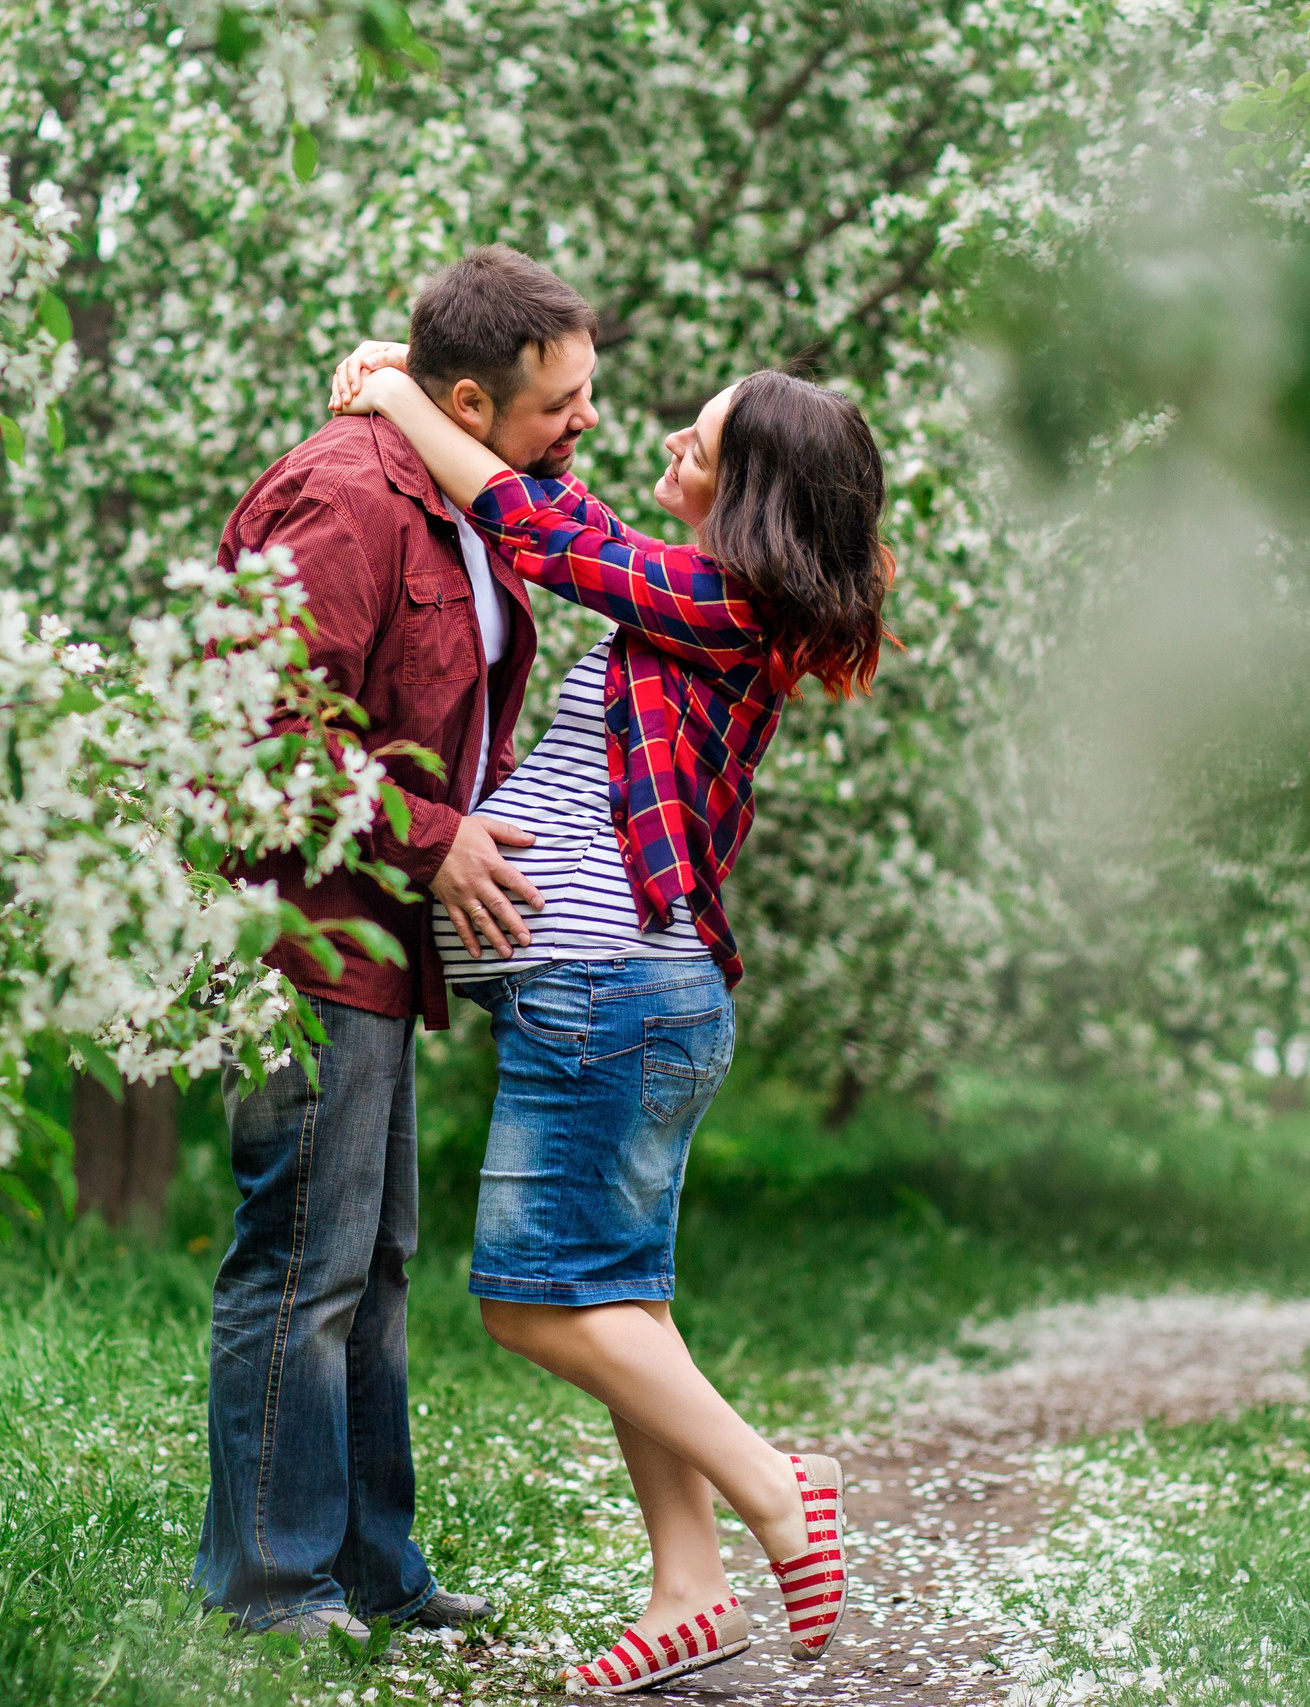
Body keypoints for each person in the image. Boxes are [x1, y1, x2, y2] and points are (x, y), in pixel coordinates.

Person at [331, 343, 895, 1692]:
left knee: (534, 1304)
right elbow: (563, 507)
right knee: (620, 1297)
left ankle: (775, 1484)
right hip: (633, 998)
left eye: (698, 444)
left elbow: (538, 530)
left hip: (609, 993)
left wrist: (400, 399)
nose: (667, 449)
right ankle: (688, 1591)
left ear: (747, 492)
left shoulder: (722, 603)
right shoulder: (713, 600)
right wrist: (452, 385)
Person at [198, 248, 603, 1639]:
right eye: (564, 402)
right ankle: (271, 1586)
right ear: (476, 401)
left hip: (382, 940)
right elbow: (255, 734)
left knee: (371, 1269)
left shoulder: (455, 489)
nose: (584, 426)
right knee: (303, 1261)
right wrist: (434, 839)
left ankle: (376, 1568)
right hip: (301, 937)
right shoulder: (347, 498)